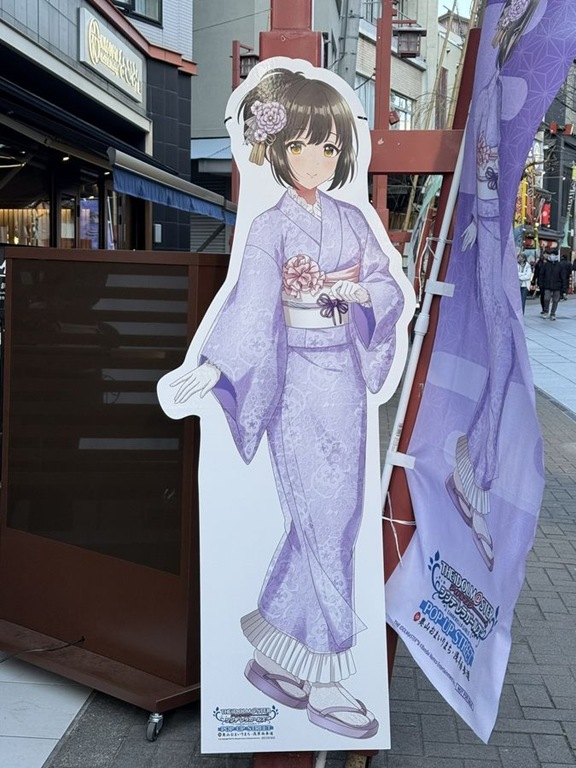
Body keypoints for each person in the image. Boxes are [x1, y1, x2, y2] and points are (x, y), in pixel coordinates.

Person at [159, 66, 412, 739]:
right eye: (301, 145)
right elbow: (250, 308)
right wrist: (215, 369)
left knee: (335, 522)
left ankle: (278, 660)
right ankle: (327, 684)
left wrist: (361, 294)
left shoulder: (351, 220)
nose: (316, 160)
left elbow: (386, 287)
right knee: (322, 521)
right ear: (278, 149)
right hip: (296, 384)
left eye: (328, 147)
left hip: (345, 382)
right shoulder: (271, 227)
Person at [445, 0, 542, 572]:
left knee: (503, 357)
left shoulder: (495, 90)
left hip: (490, 238)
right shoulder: (492, 92)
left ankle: (476, 468)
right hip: (485, 238)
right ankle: (473, 471)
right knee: (500, 354)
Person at [541, 250, 566, 319]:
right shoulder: (546, 265)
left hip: (557, 285)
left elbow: (563, 276)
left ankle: (553, 313)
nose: (552, 256)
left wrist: (564, 287)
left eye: (554, 255)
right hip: (547, 285)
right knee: (546, 298)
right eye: (551, 254)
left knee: (555, 300)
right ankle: (546, 311)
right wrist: (541, 283)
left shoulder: (560, 265)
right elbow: (542, 274)